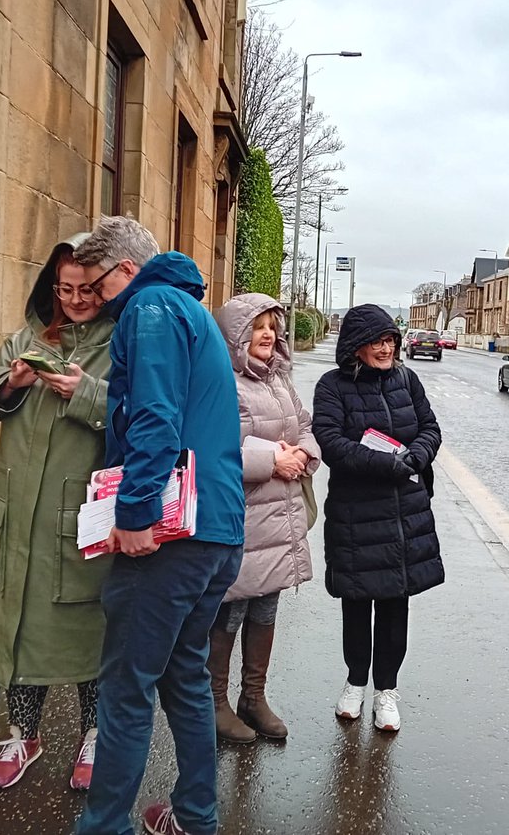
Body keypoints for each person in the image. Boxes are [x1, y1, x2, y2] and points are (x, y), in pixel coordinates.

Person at [72, 217, 245, 835]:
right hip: (216, 531)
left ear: (125, 270)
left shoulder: (150, 308)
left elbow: (154, 419)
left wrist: (136, 512)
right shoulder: (187, 311)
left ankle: (103, 826)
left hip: (173, 539)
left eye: (95, 284)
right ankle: (196, 816)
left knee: (125, 687)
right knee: (184, 678)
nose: (91, 300)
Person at [0, 233, 114, 791]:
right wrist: (13, 380)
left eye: (87, 289)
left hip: (76, 518)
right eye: (64, 288)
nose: (75, 300)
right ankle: (23, 732)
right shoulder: (28, 337)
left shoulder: (122, 344)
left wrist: (88, 394)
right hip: (15, 513)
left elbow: (144, 413)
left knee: (84, 626)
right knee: (18, 623)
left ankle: (96, 734)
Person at [312, 304, 443, 733]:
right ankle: (355, 682)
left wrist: (416, 456)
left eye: (390, 340)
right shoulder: (332, 386)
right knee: (356, 601)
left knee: (393, 604)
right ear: (356, 346)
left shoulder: (408, 380)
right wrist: (384, 464)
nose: (385, 348)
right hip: (356, 512)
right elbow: (331, 442)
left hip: (405, 511)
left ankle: (387, 690)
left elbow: (430, 427)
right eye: (376, 341)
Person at [209, 294, 321, 744]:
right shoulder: (224, 382)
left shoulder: (279, 380)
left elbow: (307, 427)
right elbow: (219, 445)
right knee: (230, 609)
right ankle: (215, 703)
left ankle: (253, 698)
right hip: (243, 516)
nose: (268, 335)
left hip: (280, 514)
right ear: (237, 336)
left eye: (273, 326)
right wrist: (274, 460)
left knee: (266, 606)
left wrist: (302, 455)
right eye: (257, 327)